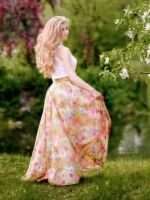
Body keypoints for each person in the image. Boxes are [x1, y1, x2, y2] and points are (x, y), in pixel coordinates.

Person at [21, 16, 111, 186]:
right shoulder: (64, 51)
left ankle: (54, 170)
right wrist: (92, 90)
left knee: (55, 133)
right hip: (66, 91)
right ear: (56, 31)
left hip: (54, 91)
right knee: (68, 133)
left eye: (67, 28)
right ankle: (65, 174)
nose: (66, 32)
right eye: (63, 29)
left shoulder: (49, 49)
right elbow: (72, 76)